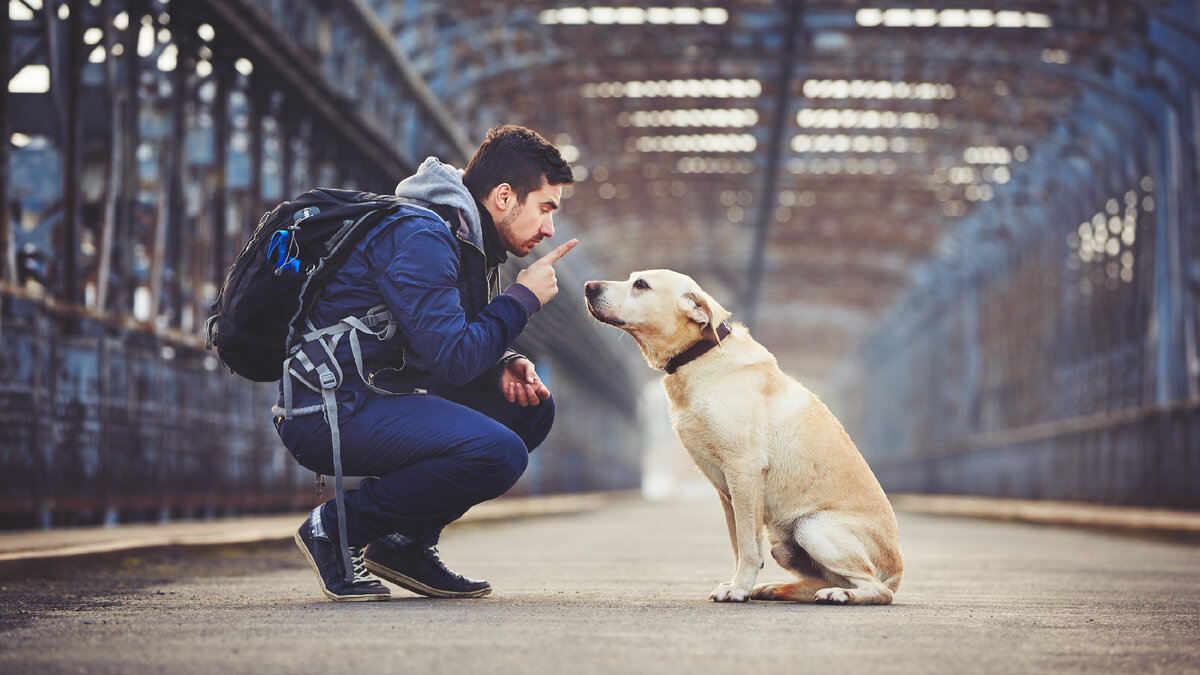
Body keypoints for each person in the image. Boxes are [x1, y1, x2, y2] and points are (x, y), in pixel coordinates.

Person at [277, 124, 577, 601]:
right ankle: (335, 527)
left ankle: (403, 543)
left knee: (530, 408)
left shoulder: (466, 242)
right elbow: (452, 361)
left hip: (381, 393)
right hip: (334, 407)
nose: (549, 228)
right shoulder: (422, 237)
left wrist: (503, 360)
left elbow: (445, 341)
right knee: (498, 453)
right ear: (503, 196)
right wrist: (522, 299)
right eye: (545, 208)